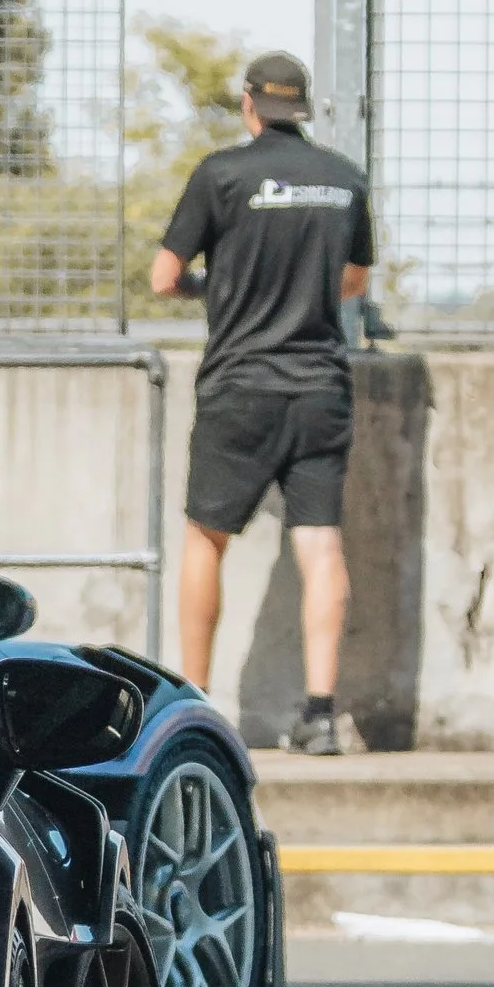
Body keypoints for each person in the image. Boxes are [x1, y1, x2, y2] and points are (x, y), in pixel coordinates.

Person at [150, 50, 373, 752]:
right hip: (319, 387)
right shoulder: (344, 179)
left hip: (239, 387)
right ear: (301, 109)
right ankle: (320, 715)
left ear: (249, 105)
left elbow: (162, 277)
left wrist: (218, 289)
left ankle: (192, 705)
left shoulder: (222, 174)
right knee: (320, 544)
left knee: (204, 537)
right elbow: (355, 280)